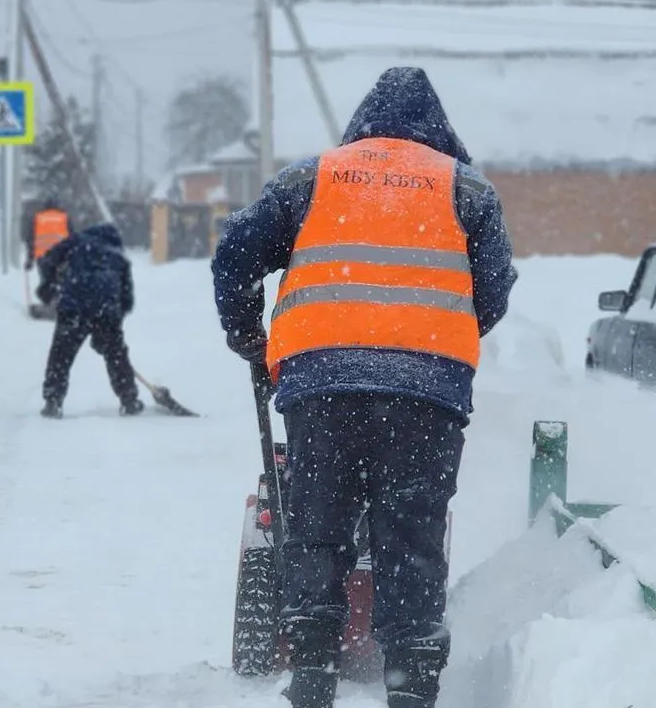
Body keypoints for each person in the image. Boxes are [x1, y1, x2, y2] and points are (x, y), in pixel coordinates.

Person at [211, 66, 517, 708]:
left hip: (321, 386)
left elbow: (235, 251)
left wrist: (248, 335)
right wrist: (431, 338)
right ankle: (410, 687)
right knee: (410, 534)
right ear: (440, 131)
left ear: (362, 126)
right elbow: (491, 293)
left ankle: (314, 675)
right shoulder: (468, 191)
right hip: (425, 394)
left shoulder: (312, 178)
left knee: (316, 523)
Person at [36, 222, 143, 419]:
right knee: (116, 354)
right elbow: (127, 296)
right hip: (106, 310)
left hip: (74, 305)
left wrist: (48, 285)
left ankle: (53, 401)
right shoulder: (117, 253)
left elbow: (47, 260)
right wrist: (112, 324)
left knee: (61, 354)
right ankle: (129, 399)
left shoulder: (76, 241)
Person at [24, 197, 70, 271]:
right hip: (61, 255)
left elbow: (30, 239)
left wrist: (30, 259)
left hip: (42, 256)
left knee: (46, 279)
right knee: (61, 279)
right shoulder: (64, 218)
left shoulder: (37, 218)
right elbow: (73, 238)